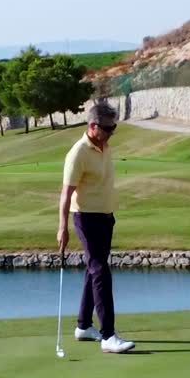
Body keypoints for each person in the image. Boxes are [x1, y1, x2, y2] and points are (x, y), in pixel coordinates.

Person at [57, 102, 135, 354]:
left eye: (114, 128)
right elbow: (66, 194)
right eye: (108, 128)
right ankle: (108, 336)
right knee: (101, 271)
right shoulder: (78, 153)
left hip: (105, 217)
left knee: (94, 270)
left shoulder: (105, 146)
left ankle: (83, 326)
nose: (112, 133)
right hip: (86, 218)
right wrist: (62, 227)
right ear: (93, 126)